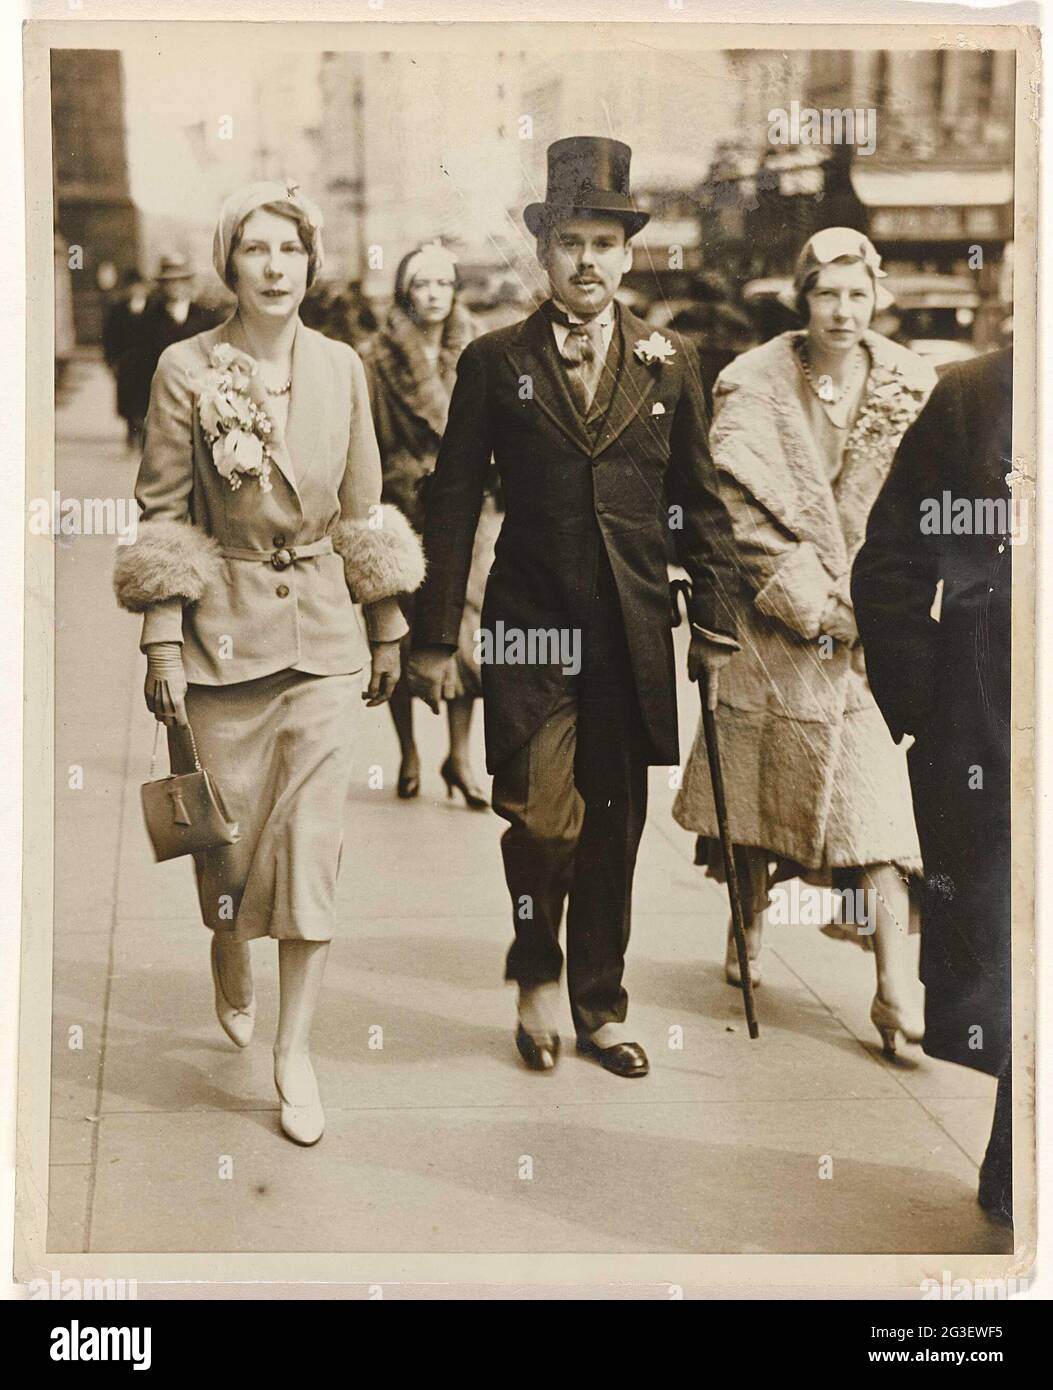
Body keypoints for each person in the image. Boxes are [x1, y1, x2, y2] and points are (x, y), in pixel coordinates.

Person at [408, 137, 739, 1077]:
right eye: (569, 242)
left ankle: (598, 1004)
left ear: (629, 252)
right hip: (529, 628)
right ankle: (533, 971)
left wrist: (714, 622)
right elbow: (453, 498)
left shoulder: (671, 362)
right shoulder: (491, 361)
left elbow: (701, 501)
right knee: (542, 820)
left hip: (632, 635)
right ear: (542, 253)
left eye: (604, 242)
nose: (586, 261)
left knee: (614, 829)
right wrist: (437, 635)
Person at [113, 181, 424, 1146]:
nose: (274, 266)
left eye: (289, 249)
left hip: (325, 641)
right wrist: (162, 639)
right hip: (222, 638)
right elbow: (165, 511)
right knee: (229, 852)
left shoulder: (342, 367)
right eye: (254, 249)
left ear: (311, 262)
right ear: (229, 263)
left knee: (310, 848)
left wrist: (386, 624)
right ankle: (226, 942)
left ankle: (296, 1049)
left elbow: (365, 507)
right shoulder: (186, 368)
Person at [672, 228, 937, 1055]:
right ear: (802, 297)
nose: (843, 310)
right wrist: (812, 603)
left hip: (867, 638)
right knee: (753, 807)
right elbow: (737, 515)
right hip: (772, 630)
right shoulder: (750, 387)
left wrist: (878, 606)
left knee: (878, 814)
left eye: (857, 294)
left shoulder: (909, 385)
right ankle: (746, 924)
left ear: (876, 298)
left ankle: (893, 987)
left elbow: (925, 508)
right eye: (827, 293)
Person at [852, 346, 1015, 1226]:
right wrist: (929, 706)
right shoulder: (974, 396)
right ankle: (1019, 1160)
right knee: (1018, 950)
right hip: (1001, 723)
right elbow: (889, 567)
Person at [363, 242, 496, 806]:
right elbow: (365, 442)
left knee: (468, 630)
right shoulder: (375, 357)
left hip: (471, 513)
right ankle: (410, 754)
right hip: (403, 510)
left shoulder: (482, 350)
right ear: (405, 293)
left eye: (444, 283)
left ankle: (460, 758)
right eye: (422, 284)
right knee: (404, 630)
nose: (434, 295)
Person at [120, 254, 217, 447]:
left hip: (197, 398)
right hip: (161, 400)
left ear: (189, 284)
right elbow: (139, 365)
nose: (175, 287)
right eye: (169, 282)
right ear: (162, 286)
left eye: (181, 281)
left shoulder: (206, 317)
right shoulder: (148, 320)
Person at [102, 267, 151, 447]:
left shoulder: (153, 306)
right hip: (126, 363)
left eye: (139, 286)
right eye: (132, 287)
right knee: (129, 399)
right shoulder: (118, 309)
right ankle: (132, 430)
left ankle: (144, 432)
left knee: (146, 398)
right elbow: (109, 337)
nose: (136, 290)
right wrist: (112, 361)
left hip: (147, 362)